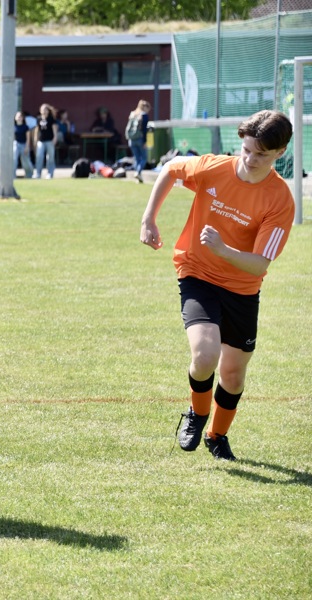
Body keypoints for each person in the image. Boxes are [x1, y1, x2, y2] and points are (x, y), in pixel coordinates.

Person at [139, 110, 294, 462]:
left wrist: (224, 249)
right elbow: (172, 168)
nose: (251, 160)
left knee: (234, 375)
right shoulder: (215, 168)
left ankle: (217, 435)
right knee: (205, 354)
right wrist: (149, 219)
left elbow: (260, 263)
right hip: (197, 272)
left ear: (279, 154)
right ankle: (196, 413)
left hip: (242, 288)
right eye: (247, 150)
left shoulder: (279, 199)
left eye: (262, 155)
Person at [126, 100, 151, 183]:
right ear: (144, 107)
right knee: (144, 157)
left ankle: (138, 176)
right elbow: (144, 130)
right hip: (140, 139)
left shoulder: (132, 114)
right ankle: (138, 172)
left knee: (137, 158)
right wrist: (145, 141)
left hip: (131, 139)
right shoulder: (144, 115)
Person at [33, 103, 58, 179]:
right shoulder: (38, 119)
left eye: (45, 109)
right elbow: (37, 130)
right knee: (39, 156)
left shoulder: (51, 119)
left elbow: (54, 129)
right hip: (41, 141)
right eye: (42, 109)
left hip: (49, 140)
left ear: (48, 111)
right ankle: (37, 173)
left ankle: (50, 173)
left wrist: (55, 138)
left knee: (50, 157)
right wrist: (35, 139)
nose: (44, 111)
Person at [12, 111, 34, 179]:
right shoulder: (13, 127)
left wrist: (27, 147)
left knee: (26, 161)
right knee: (14, 160)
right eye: (18, 116)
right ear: (15, 118)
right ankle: (12, 176)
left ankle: (29, 175)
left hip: (24, 144)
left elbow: (28, 138)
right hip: (16, 144)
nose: (19, 118)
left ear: (23, 118)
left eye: (20, 116)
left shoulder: (26, 127)